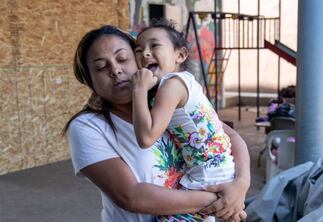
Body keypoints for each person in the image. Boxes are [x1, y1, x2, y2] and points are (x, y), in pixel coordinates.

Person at [64, 25, 250, 222]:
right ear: (90, 81)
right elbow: (131, 196)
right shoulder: (87, 126)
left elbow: (229, 136)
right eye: (101, 67)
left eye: (122, 59)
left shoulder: (165, 102)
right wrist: (222, 200)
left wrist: (241, 184)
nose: (115, 70)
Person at [131, 20, 240, 221]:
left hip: (207, 177)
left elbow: (146, 137)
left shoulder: (171, 86)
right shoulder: (188, 81)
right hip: (219, 170)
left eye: (154, 46)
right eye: (138, 50)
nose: (145, 53)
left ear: (180, 55)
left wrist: (138, 89)